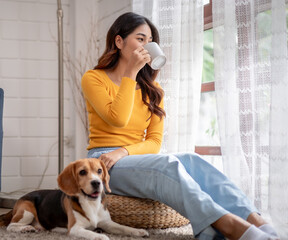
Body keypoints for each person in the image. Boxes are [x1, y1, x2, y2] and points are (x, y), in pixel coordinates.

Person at [80, 12, 279, 240]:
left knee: (192, 159)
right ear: (119, 41)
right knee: (167, 164)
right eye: (141, 39)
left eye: (150, 42)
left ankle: (256, 220)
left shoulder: (154, 91)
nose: (146, 46)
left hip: (127, 156)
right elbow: (118, 118)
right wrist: (131, 73)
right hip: (103, 163)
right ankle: (230, 227)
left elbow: (154, 142)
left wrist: (123, 151)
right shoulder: (94, 78)